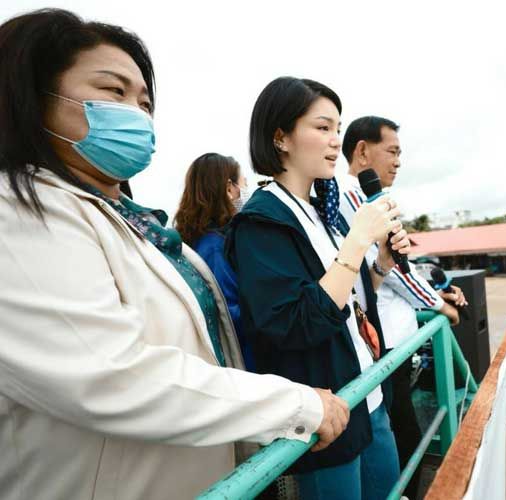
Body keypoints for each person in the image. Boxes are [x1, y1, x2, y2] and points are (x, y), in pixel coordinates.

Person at [0, 10, 348, 499]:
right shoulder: (18, 213)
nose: (136, 114)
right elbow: (112, 377)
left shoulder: (133, 219)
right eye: (112, 91)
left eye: (143, 101)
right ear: (33, 99)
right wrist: (294, 405)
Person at [227, 77, 410, 500]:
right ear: (281, 138)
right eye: (322, 127)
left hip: (368, 395)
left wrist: (380, 263)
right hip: (328, 416)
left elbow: (350, 299)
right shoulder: (261, 221)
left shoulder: (320, 212)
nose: (334, 142)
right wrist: (356, 242)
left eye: (338, 130)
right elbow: (292, 323)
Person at [339, 115, 466, 499]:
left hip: (396, 337)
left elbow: (400, 264)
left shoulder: (366, 197)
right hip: (386, 341)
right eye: (391, 151)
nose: (398, 162)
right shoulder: (354, 196)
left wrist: (436, 293)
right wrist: (438, 305)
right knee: (402, 437)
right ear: (362, 151)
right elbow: (392, 270)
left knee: (400, 434)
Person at [174, 152, 254, 369]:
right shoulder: (216, 247)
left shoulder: (201, 241)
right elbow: (229, 313)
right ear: (229, 189)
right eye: (244, 184)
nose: (247, 192)